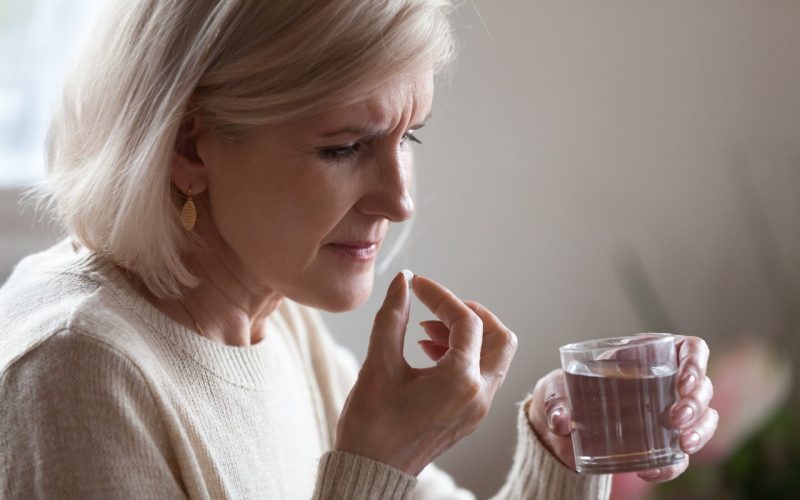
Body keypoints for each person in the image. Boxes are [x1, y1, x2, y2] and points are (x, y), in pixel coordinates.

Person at [0, 1, 718, 498]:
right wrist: (377, 463)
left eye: (409, 136)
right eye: (344, 146)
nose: (400, 200)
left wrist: (566, 438)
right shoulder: (75, 372)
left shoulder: (274, 321)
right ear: (190, 147)